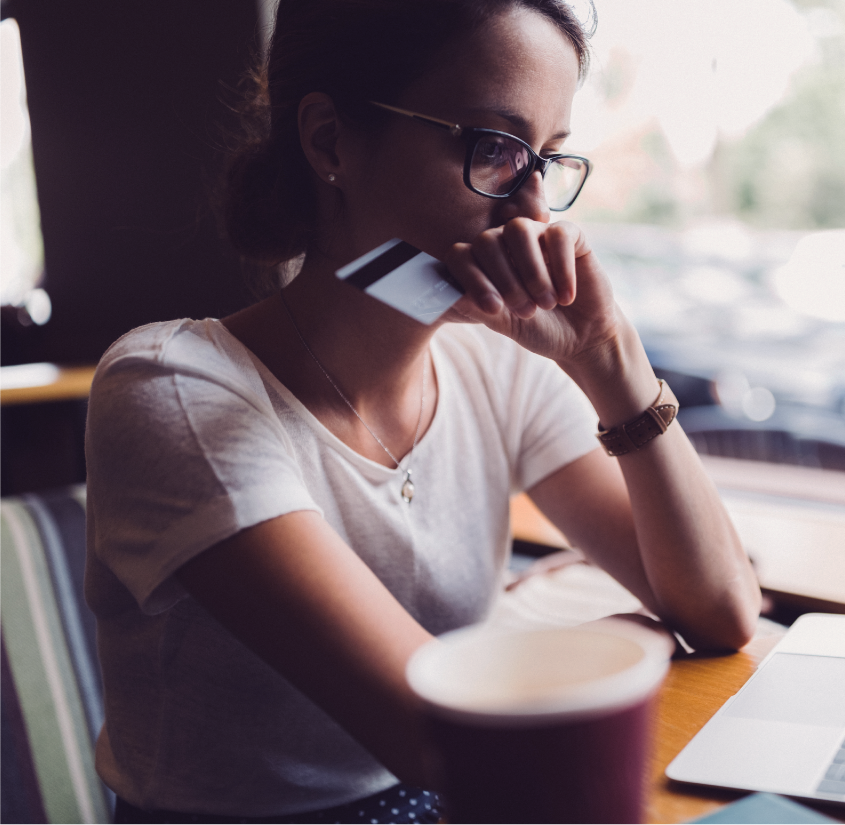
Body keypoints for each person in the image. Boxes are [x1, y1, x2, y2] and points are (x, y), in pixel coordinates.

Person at [83, 1, 763, 822]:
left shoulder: (496, 363)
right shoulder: (175, 392)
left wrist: (607, 357)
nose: (534, 213)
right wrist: (628, 642)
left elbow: (722, 609)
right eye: (494, 148)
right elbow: (442, 738)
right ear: (330, 139)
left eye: (547, 159)